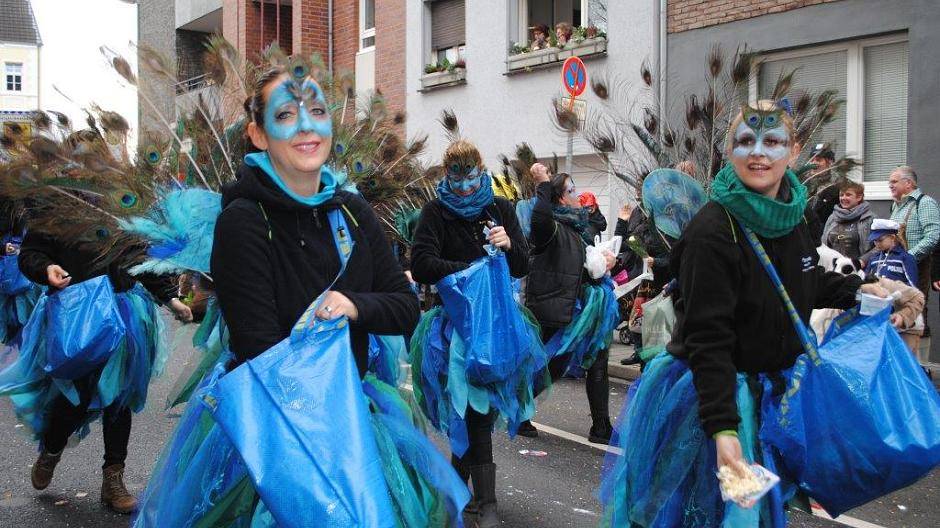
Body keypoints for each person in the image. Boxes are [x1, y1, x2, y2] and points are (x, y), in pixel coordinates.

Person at [136, 64, 467, 527]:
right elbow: (260, 348)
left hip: (353, 418)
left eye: (316, 111)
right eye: (285, 114)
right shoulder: (243, 221)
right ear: (258, 134)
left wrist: (353, 305)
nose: (306, 126)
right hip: (277, 432)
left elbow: (405, 307)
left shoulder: (353, 212)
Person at [599, 100, 885, 526]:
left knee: (760, 514)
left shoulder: (792, 216)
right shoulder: (712, 231)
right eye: (746, 141)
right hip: (713, 403)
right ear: (731, 149)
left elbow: (799, 281)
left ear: (794, 150)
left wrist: (861, 291)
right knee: (707, 516)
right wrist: (724, 431)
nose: (758, 153)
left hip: (770, 400)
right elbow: (708, 338)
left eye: (773, 141)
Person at [6, 229, 190, 513]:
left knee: (119, 397)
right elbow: (31, 253)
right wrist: (46, 269)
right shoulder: (57, 209)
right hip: (79, 311)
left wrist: (170, 298)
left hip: (124, 312)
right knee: (75, 398)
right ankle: (52, 449)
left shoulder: (125, 210)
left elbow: (141, 259)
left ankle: (113, 478)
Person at [409, 139, 532, 528]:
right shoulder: (435, 212)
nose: (464, 188)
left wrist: (508, 244)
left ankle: (455, 496)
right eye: (456, 180)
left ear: (481, 172)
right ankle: (486, 504)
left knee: (479, 409)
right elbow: (422, 263)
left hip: (498, 324)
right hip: (456, 328)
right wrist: (470, 271)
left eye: (471, 178)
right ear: (447, 176)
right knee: (473, 406)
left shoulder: (500, 208)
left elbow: (522, 265)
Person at [523, 162, 619, 444]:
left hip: (588, 307)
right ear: (561, 198)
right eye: (571, 190)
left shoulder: (581, 226)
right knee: (553, 364)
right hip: (560, 306)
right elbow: (539, 221)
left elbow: (587, 261)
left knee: (598, 359)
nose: (577, 194)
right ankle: (519, 409)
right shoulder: (550, 227)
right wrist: (542, 183)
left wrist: (607, 261)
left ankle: (601, 426)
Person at [889, 166, 940, 331]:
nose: (890, 185)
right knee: (897, 308)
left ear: (908, 183)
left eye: (894, 181)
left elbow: (933, 236)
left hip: (917, 266)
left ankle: (918, 345)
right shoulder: (896, 205)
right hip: (896, 266)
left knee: (916, 310)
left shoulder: (924, 203)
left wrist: (908, 258)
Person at [821, 180, 874, 261]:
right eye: (841, 195)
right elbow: (823, 244)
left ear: (859, 197)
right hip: (833, 267)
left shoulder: (869, 218)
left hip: (858, 267)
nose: (843, 198)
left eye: (848, 195)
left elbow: (878, 247)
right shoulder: (832, 218)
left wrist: (862, 261)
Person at [865, 219, 918, 287]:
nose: (877, 244)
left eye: (880, 240)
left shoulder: (905, 258)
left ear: (892, 237)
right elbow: (866, 282)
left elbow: (912, 285)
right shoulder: (873, 258)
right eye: (875, 240)